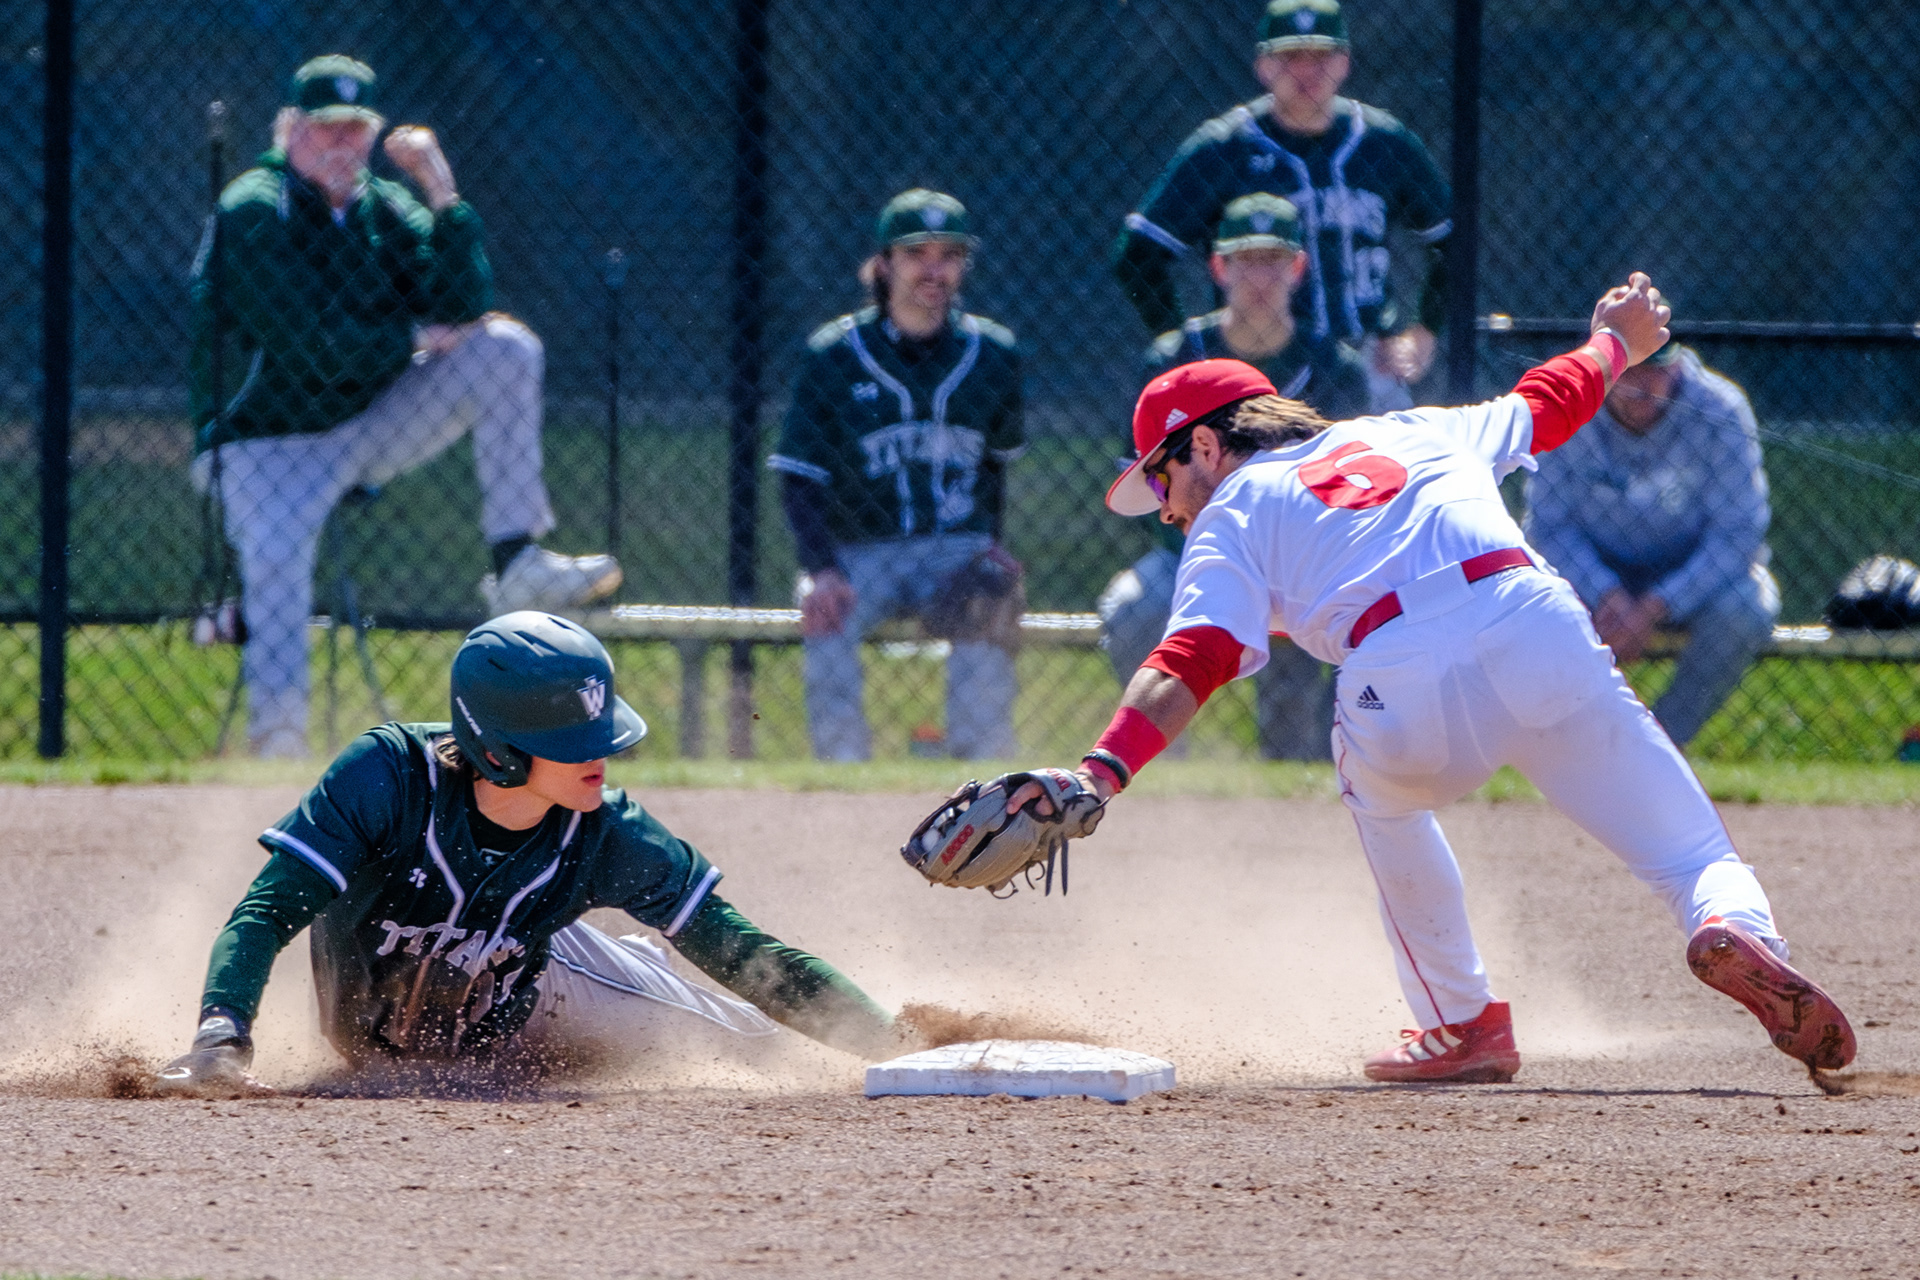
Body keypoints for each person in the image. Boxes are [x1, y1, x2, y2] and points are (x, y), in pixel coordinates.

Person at [1023, 274, 1854, 1083]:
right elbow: (1547, 401)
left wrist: (1100, 773)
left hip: (1400, 673)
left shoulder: (1232, 511)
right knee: (1690, 849)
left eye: (1162, 477)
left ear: (1206, 444)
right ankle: (1732, 927)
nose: (1166, 507)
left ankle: (1463, 1021)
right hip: (1532, 620)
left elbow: (1189, 661)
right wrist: (1615, 342)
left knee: (1380, 793)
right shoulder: (1410, 429)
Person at [153, 612, 903, 1099]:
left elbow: (745, 951)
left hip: (554, 991)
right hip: (393, 1039)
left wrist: (893, 1052)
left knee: (739, 1039)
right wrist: (224, 1031)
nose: (601, 758)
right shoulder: (386, 781)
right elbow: (267, 912)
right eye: (572, 744)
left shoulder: (608, 833)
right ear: (498, 749)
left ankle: (640, 969)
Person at [190, 56, 622, 759]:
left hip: (364, 427)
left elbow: (463, 305)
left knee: (505, 350)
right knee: (274, 562)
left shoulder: (379, 208)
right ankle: (277, 750)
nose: (343, 146)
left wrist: (440, 188)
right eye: (326, 129)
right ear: (292, 130)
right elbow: (305, 346)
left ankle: (515, 558)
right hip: (263, 442)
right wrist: (413, 338)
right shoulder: (252, 206)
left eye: (356, 131)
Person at [1099, 193, 1370, 759]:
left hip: (1300, 556)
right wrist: (1212, 552)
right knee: (1131, 608)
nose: (1261, 276)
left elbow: (1350, 482)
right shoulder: (1173, 359)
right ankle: (1173, 761)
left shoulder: (1333, 366)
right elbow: (1149, 487)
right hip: (1188, 550)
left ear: (1298, 269)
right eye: (1246, 260)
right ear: (1219, 268)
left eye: (1274, 259)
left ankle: (1302, 762)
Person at [768, 189, 1026, 761]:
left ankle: (980, 773)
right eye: (917, 254)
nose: (934, 269)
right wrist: (821, 570)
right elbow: (799, 478)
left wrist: (992, 549)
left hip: (955, 546)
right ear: (885, 263)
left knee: (992, 594)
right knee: (825, 611)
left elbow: (994, 471)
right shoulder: (832, 355)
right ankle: (843, 773)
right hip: (859, 553)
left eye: (949, 255)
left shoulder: (995, 354)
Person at [1112, 0, 1452, 410]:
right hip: (1260, 364)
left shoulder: (1383, 143)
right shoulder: (1224, 148)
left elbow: (1454, 242)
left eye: (1321, 57)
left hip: (1365, 354)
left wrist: (1425, 329)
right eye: (1291, 57)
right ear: (1264, 66)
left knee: (1380, 472)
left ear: (1344, 63)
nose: (1306, 72)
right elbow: (1139, 253)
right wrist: (1185, 343)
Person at [1524, 341, 1778, 747]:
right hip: (1593, 577)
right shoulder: (1568, 405)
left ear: (1678, 365)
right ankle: (1570, 748)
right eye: (1627, 371)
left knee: (1747, 608)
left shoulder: (1721, 409)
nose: (1640, 385)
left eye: (1654, 370)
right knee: (1524, 600)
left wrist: (1659, 604)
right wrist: (1606, 593)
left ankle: (1657, 747)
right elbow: (1550, 528)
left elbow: (1738, 534)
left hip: (1687, 574)